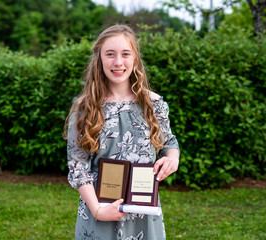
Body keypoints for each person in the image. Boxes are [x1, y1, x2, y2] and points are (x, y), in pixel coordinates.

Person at [64, 24, 180, 240]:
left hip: (144, 213)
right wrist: (98, 210)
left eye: (125, 54)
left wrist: (173, 158)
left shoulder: (153, 103)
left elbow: (169, 143)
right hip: (99, 210)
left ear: (135, 58)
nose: (118, 62)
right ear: (99, 58)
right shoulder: (85, 108)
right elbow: (78, 167)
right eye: (110, 54)